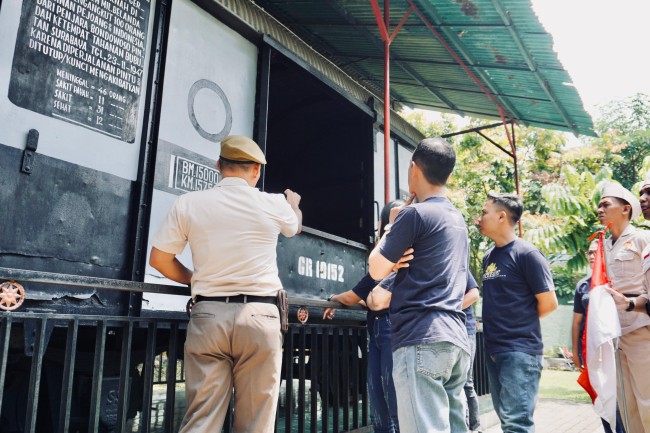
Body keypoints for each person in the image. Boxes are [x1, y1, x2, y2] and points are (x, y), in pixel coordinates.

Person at [149, 135, 302, 433]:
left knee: (201, 421)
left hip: (208, 316)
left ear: (219, 165)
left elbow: (159, 259)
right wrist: (293, 203)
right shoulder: (274, 203)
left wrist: (197, 280)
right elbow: (294, 226)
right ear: (256, 171)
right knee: (256, 422)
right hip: (259, 317)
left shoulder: (188, 204)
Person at [368, 137, 471, 433]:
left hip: (420, 338)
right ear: (448, 175)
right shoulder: (456, 219)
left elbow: (376, 268)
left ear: (413, 168)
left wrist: (391, 229)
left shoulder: (414, 214)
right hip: (455, 340)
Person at [323, 200, 407, 433]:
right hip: (377, 329)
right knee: (377, 401)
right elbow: (362, 295)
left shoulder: (404, 260)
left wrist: (361, 297)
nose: (381, 228)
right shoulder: (381, 267)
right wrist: (336, 299)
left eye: (387, 224)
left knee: (394, 401)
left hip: (392, 328)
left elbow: (376, 300)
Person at [477, 192, 558, 433]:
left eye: (484, 212)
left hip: (520, 352)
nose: (479, 218)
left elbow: (549, 302)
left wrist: (518, 324)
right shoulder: (488, 257)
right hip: (494, 350)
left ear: (502, 216)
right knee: (507, 422)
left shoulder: (527, 253)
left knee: (517, 425)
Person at [598, 181, 650, 432]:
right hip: (615, 334)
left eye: (606, 204)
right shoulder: (602, 245)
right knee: (626, 407)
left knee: (647, 401)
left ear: (625, 209)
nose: (600, 209)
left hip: (641, 329)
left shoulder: (642, 238)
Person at [573, 240, 626, 433]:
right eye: (589, 252)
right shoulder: (583, 286)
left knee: (620, 398)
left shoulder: (615, 281)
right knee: (601, 396)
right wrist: (576, 353)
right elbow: (577, 322)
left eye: (597, 252)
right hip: (593, 350)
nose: (592, 256)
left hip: (616, 348)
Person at [462, 275, 482, 433]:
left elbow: (474, 294)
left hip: (465, 331)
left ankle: (475, 427)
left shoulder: (459, 262)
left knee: (466, 382)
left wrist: (449, 307)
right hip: (448, 330)